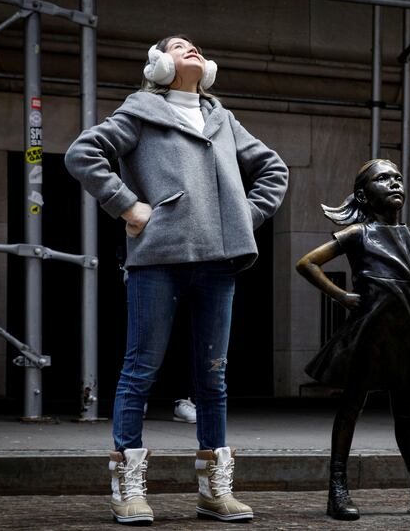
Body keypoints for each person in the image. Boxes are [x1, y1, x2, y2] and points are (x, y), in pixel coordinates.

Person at [65, 34, 288, 525]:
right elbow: (83, 153)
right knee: (139, 371)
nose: (193, 50)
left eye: (197, 47)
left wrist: (242, 216)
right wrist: (127, 204)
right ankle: (128, 489)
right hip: (157, 260)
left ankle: (215, 490)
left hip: (218, 262)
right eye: (179, 45)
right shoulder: (141, 108)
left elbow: (273, 168)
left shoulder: (222, 118)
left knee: (213, 377)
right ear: (159, 62)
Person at [297, 159, 410, 521]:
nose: (394, 183)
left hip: (403, 331)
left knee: (406, 413)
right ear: (363, 195)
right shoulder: (359, 234)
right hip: (368, 329)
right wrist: (341, 295)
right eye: (383, 179)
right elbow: (307, 263)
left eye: (398, 177)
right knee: (351, 406)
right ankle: (337, 488)